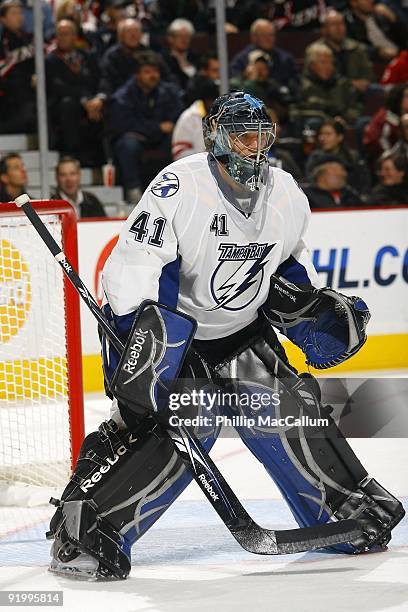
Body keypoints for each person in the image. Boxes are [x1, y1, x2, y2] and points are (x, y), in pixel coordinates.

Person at [47, 91, 404, 580]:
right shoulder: (179, 187)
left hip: (242, 333)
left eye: (261, 136)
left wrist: (305, 306)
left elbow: (290, 265)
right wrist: (139, 346)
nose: (253, 147)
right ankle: (90, 528)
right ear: (216, 136)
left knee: (286, 407)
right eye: (241, 135)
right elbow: (132, 267)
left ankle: (341, 509)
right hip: (177, 339)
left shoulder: (286, 192)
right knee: (187, 426)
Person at [108, 50, 183, 203]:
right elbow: (122, 124)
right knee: (127, 144)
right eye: (147, 72)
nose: (153, 75)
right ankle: (133, 189)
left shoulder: (168, 91)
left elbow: (177, 116)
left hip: (160, 139)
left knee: (176, 138)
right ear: (137, 74)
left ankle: (178, 188)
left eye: (155, 71)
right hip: (137, 140)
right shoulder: (124, 95)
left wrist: (155, 129)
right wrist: (156, 128)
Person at [45, 19, 105, 167]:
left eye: (66, 34)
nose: (62, 38)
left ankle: (101, 157)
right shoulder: (50, 60)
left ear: (75, 36)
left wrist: (98, 99)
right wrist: (84, 100)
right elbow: (57, 86)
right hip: (64, 104)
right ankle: (72, 153)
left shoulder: (87, 56)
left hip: (90, 102)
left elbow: (99, 80)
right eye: (59, 34)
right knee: (68, 104)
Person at [291, 42, 363, 131]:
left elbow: (355, 108)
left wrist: (344, 119)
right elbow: (295, 112)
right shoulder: (300, 85)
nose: (329, 67)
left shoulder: (342, 84)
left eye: (331, 63)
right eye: (323, 62)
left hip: (342, 125)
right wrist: (328, 120)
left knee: (363, 122)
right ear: (311, 65)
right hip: (315, 126)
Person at [229, 18, 299, 102]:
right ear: (254, 37)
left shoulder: (285, 59)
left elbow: (295, 83)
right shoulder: (241, 60)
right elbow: (235, 84)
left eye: (271, 35)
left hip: (281, 102)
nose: (269, 39)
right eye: (264, 35)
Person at [311, 9, 374, 95]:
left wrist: (364, 83)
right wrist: (350, 84)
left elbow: (368, 76)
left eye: (341, 24)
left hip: (355, 98)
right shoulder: (315, 51)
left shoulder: (357, 48)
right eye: (334, 24)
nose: (339, 28)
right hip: (324, 97)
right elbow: (320, 79)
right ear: (324, 29)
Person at [0, 0, 36, 134]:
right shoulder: (2, 41)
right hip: (11, 92)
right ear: (3, 19)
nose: (19, 17)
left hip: (31, 87)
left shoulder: (30, 38)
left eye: (20, 13)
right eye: (14, 13)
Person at [172, 78, 218, 160]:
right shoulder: (189, 117)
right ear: (205, 100)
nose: (213, 104)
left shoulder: (221, 115)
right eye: (211, 100)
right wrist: (203, 158)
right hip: (193, 167)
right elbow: (179, 152)